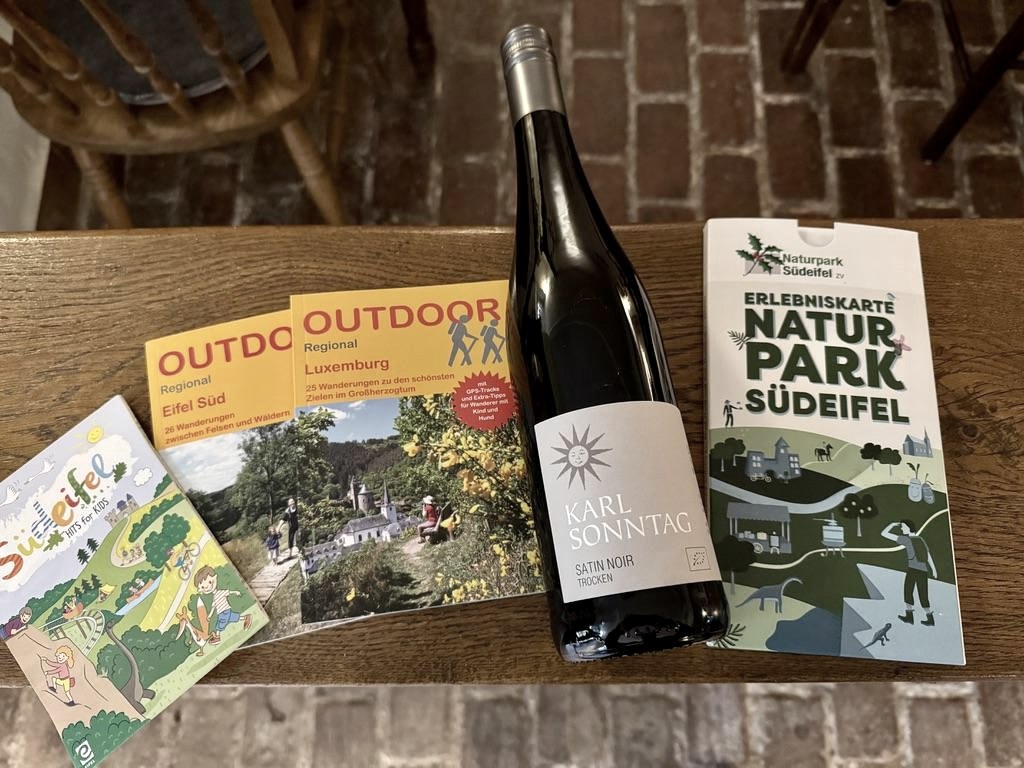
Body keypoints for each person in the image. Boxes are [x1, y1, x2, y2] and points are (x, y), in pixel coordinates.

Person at [882, 519, 937, 626]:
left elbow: (884, 534)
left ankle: (910, 617)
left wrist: (891, 525)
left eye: (903, 526)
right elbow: (928, 555)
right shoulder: (920, 539)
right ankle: (928, 618)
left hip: (913, 570)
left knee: (908, 592)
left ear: (908, 527)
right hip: (923, 570)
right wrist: (933, 569)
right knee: (922, 594)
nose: (901, 528)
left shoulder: (906, 540)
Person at [193, 565, 252, 645]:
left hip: (224, 612)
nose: (207, 587)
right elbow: (214, 607)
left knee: (219, 625)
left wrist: (236, 592)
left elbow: (228, 592)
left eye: (210, 582)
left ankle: (217, 637)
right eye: (203, 587)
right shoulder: (214, 597)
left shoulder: (220, 592)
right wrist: (210, 615)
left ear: (215, 578)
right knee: (233, 617)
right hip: (225, 611)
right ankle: (246, 617)